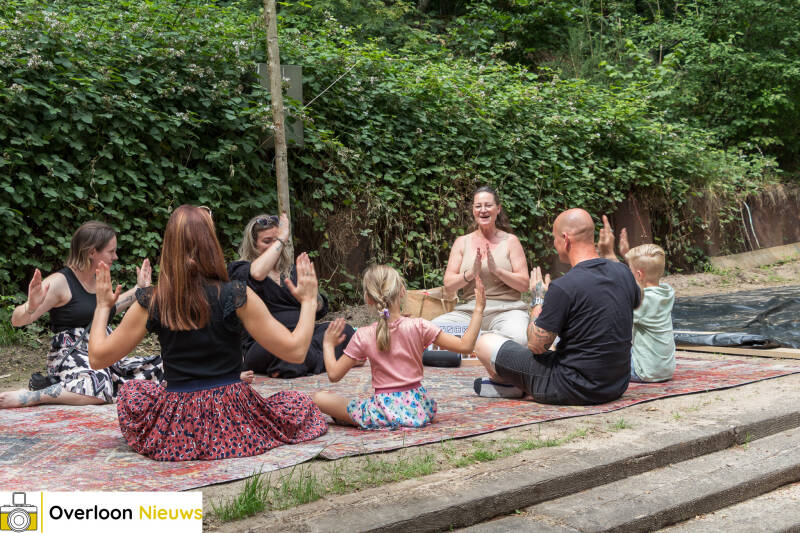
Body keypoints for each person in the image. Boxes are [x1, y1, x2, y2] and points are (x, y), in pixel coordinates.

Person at [87, 205, 327, 461]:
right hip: (234, 421)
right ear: (211, 244)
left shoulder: (153, 300)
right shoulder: (237, 294)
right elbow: (296, 350)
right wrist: (309, 302)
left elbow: (98, 358)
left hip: (178, 423)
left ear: (170, 247)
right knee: (298, 403)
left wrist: (103, 307)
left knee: (131, 393)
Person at [473, 208, 641, 404]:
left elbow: (536, 346)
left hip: (569, 387)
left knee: (484, 343)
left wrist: (538, 300)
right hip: (615, 385)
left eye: (554, 238)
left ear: (565, 239)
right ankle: (515, 385)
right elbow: (632, 303)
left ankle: (513, 385)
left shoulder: (564, 286)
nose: (554, 244)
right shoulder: (623, 272)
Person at [0, 221, 163, 409]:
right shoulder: (60, 282)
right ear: (92, 252)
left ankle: (104, 385)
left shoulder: (98, 279)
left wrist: (139, 289)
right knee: (97, 382)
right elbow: (17, 320)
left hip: (104, 356)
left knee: (163, 365)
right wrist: (30, 306)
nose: (116, 257)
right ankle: (33, 396)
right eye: (111, 251)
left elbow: (107, 308)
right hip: (72, 358)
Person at [313, 264, 486, 429]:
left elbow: (334, 375)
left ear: (368, 299)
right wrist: (478, 309)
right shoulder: (419, 326)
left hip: (382, 412)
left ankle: (359, 419)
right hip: (419, 408)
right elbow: (466, 345)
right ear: (403, 291)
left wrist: (328, 344)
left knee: (319, 398)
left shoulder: (363, 335)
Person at [228, 213, 355, 378]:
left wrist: (312, 298)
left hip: (303, 336)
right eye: (267, 241)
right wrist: (281, 238)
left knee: (346, 331)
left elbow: (318, 309)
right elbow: (257, 273)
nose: (276, 246)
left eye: (277, 241)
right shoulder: (240, 269)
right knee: (285, 354)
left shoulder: (291, 271)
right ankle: (326, 358)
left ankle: (304, 361)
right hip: (267, 342)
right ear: (253, 244)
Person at [435, 186, 530, 346]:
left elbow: (524, 285)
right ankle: (488, 341)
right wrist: (470, 273)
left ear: (498, 209)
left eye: (488, 205)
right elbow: (449, 285)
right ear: (473, 210)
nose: (483, 210)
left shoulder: (511, 241)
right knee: (431, 330)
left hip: (507, 310)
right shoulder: (462, 242)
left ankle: (478, 340)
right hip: (469, 312)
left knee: (520, 340)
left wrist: (497, 271)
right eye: (478, 206)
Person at [597, 218, 675, 382]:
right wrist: (627, 257)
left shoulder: (644, 302)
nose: (627, 273)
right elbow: (636, 279)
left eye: (629, 270)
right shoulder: (665, 293)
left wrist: (610, 256)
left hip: (644, 370)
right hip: (663, 369)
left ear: (639, 275)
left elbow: (621, 286)